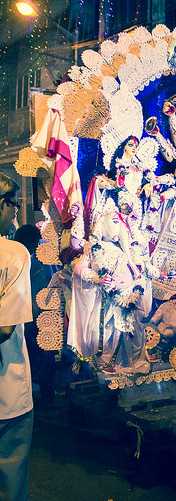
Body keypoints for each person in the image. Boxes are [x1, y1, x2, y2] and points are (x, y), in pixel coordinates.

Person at [0, 173, 34, 501]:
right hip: (7, 393)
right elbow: (5, 328)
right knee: (10, 478)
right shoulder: (14, 254)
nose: (15, 214)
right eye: (13, 206)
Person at [13, 224, 56, 404]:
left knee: (41, 357)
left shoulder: (38, 263)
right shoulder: (38, 262)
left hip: (37, 318)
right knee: (40, 357)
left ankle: (44, 394)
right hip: (34, 317)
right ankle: (43, 393)